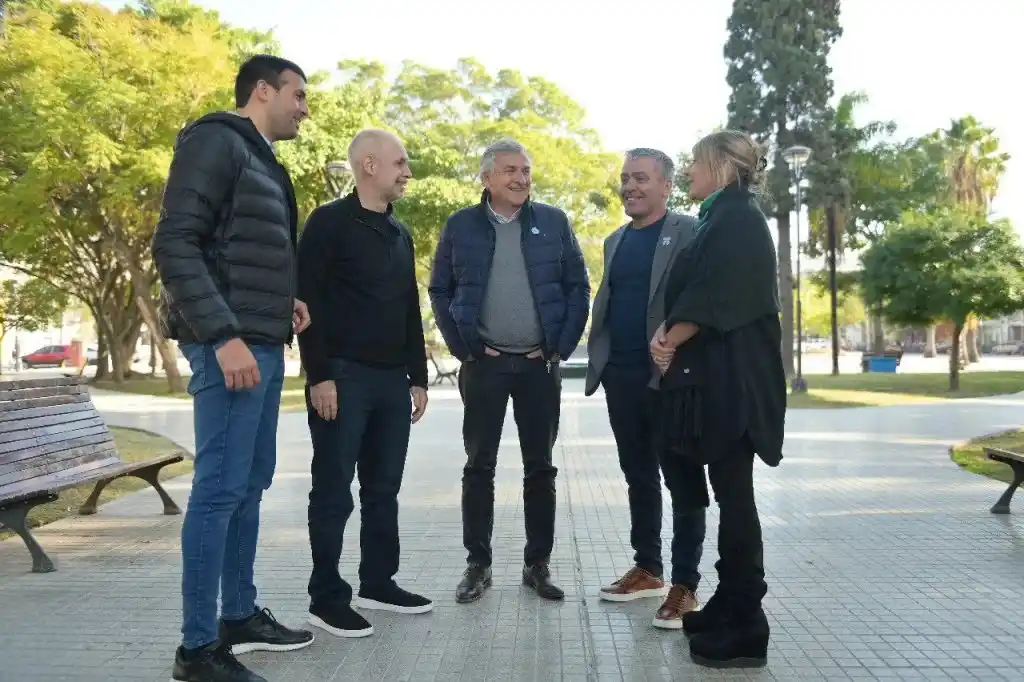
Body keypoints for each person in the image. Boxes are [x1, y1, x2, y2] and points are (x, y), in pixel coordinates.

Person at [153, 55, 315, 682]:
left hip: (262, 341)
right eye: (298, 94)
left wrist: (283, 304)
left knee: (250, 483)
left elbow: (241, 252)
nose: (304, 106)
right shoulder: (216, 141)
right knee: (219, 490)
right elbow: (176, 242)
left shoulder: (261, 158)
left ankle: (239, 614)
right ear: (263, 89)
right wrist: (222, 335)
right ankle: (197, 651)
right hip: (231, 349)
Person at [428, 138, 590, 604]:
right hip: (486, 367)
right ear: (487, 178)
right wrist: (465, 348)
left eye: (526, 170)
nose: (521, 178)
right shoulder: (461, 225)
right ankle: (477, 566)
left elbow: (577, 286)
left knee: (541, 468)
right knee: (479, 466)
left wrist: (560, 347)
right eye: (510, 171)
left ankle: (537, 564)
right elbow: (440, 290)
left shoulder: (554, 223)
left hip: (539, 367)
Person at [650, 130, 786, 668]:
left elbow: (717, 295)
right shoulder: (722, 216)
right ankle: (730, 604)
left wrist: (669, 337)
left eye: (696, 163)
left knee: (736, 498)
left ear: (723, 167)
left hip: (738, 385)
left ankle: (748, 624)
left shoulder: (738, 219)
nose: (688, 172)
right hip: (720, 381)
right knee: (730, 495)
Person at [297, 129, 433, 640]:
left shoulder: (399, 233)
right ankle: (326, 598)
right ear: (369, 165)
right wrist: (320, 376)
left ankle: (379, 582)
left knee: (383, 490)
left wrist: (417, 378)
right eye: (400, 162)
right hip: (343, 378)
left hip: (389, 382)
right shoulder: (328, 224)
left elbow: (408, 311)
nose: (407, 171)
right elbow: (304, 305)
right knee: (333, 491)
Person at [585, 148, 706, 630]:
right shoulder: (615, 240)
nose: (630, 187)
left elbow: (701, 298)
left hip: (673, 379)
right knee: (638, 473)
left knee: (683, 480)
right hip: (623, 376)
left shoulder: (688, 232)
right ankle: (648, 567)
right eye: (625, 179)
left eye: (640, 178)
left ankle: (685, 583)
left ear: (665, 185)